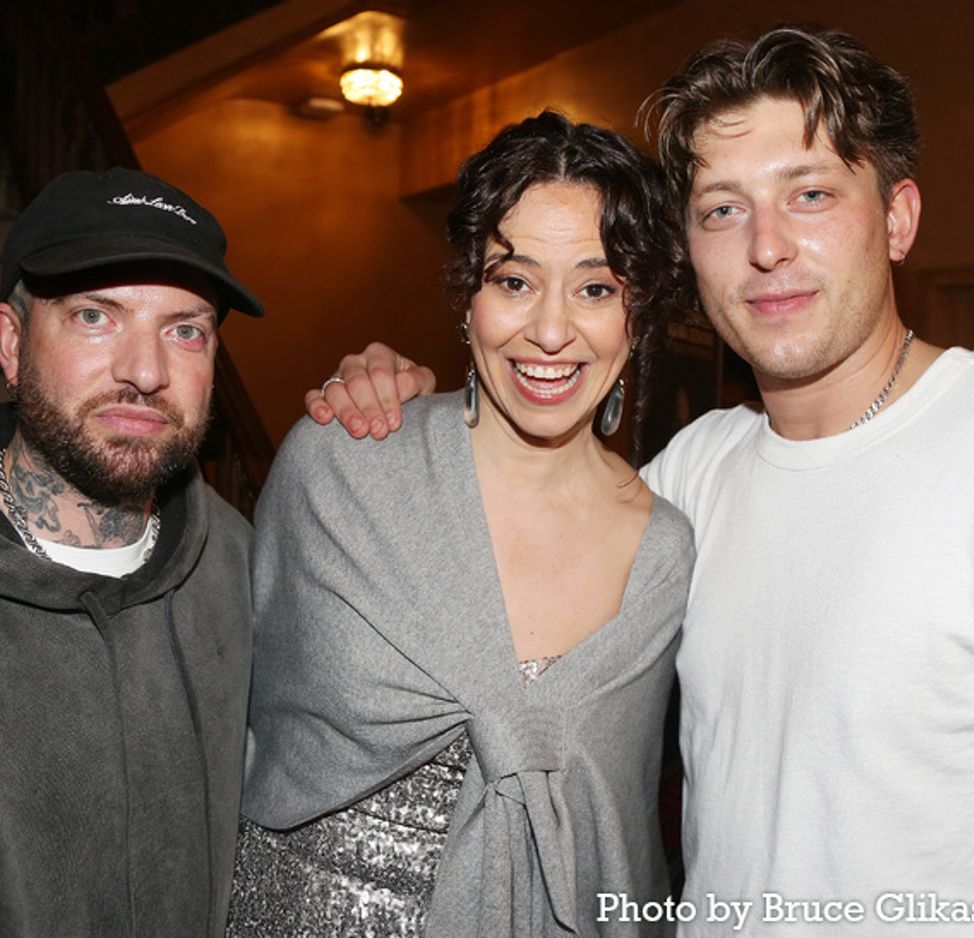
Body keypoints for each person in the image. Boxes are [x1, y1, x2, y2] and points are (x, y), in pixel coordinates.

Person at [307, 25, 974, 937]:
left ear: (898, 219)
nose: (767, 246)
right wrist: (403, 405)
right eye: (722, 209)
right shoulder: (691, 476)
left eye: (810, 194)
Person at [228, 111, 694, 937]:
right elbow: (236, 717)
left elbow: (620, 829)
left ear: (641, 311)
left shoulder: (661, 554)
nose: (550, 331)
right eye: (514, 281)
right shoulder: (342, 467)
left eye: (596, 287)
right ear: (467, 295)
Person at [0, 167, 263, 937]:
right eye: (96, 316)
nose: (147, 371)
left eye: (185, 329)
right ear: (12, 343)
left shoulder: (242, 570)